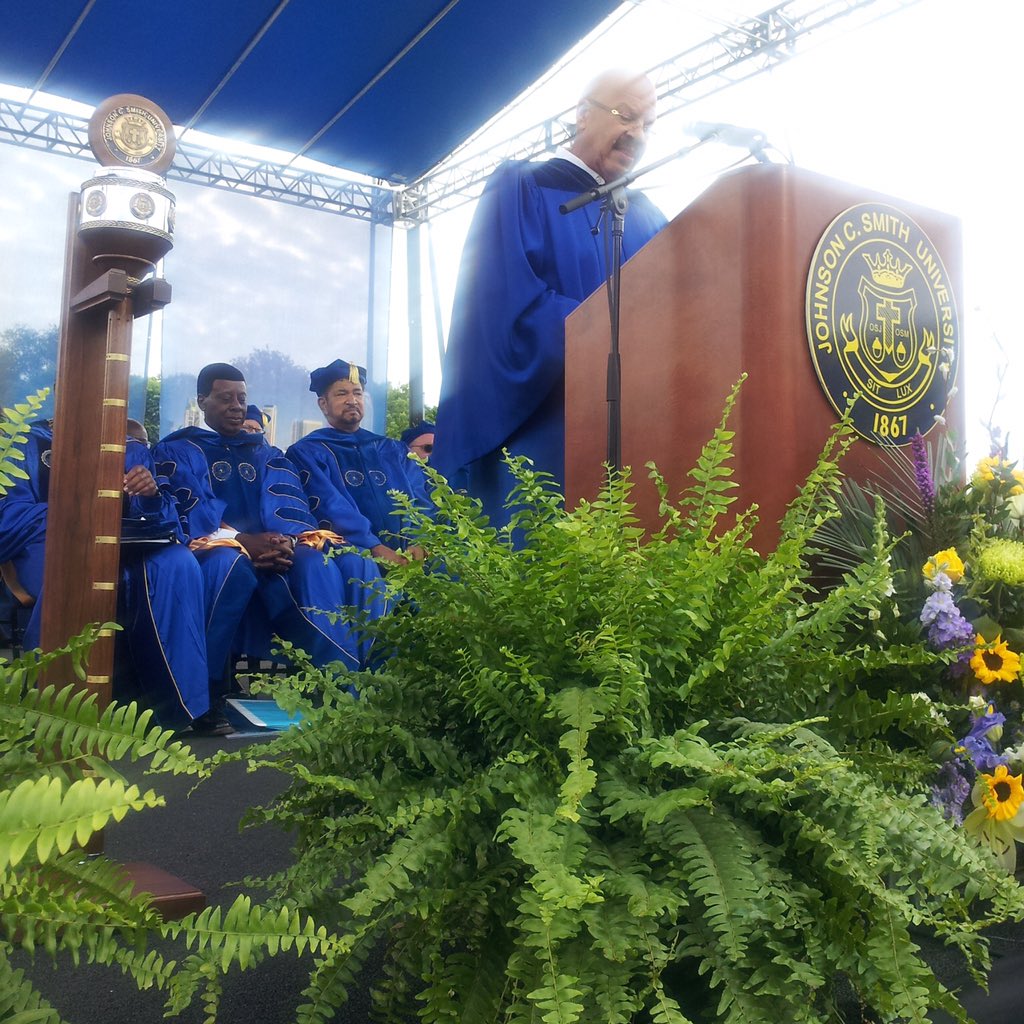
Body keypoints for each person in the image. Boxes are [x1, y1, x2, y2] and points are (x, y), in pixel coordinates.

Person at [432, 69, 668, 530]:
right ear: (582, 116)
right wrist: (613, 334)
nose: (637, 134)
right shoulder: (524, 188)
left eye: (649, 124)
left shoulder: (650, 218)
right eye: (627, 115)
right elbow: (504, 310)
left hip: (643, 436)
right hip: (546, 434)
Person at [154, 363, 386, 701]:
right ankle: (211, 692)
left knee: (332, 562)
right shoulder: (178, 450)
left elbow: (286, 502)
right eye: (225, 398)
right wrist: (243, 542)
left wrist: (285, 541)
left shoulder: (266, 453)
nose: (236, 405)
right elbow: (192, 510)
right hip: (217, 548)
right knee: (230, 565)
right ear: (202, 401)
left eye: (241, 397)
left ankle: (361, 680)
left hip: (276, 547)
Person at [0, 418, 213, 733]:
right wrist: (80, 511)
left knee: (178, 563)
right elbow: (7, 516)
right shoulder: (23, 441)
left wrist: (149, 495)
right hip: (48, 543)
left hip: (126, 545)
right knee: (81, 567)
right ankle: (55, 708)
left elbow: (167, 521)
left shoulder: (130, 448)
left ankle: (174, 706)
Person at [287, 360, 432, 567]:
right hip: (354, 560)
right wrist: (373, 547)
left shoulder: (392, 449)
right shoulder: (308, 452)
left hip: (411, 557)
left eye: (357, 393)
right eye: (341, 393)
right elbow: (330, 505)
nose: (352, 400)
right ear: (323, 403)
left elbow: (420, 495)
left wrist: (420, 540)